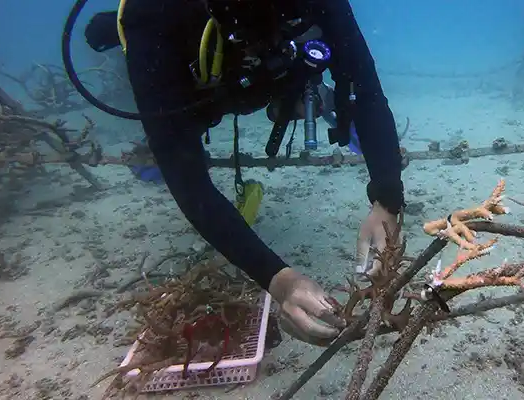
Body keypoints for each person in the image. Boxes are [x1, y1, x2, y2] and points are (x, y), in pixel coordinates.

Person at [83, 0, 405, 346]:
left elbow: (367, 90)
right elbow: (188, 182)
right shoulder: (153, 12)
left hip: (270, 75)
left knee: (302, 83)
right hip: (198, 83)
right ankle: (144, 89)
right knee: (172, 143)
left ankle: (302, 96)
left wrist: (387, 199)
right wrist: (278, 280)